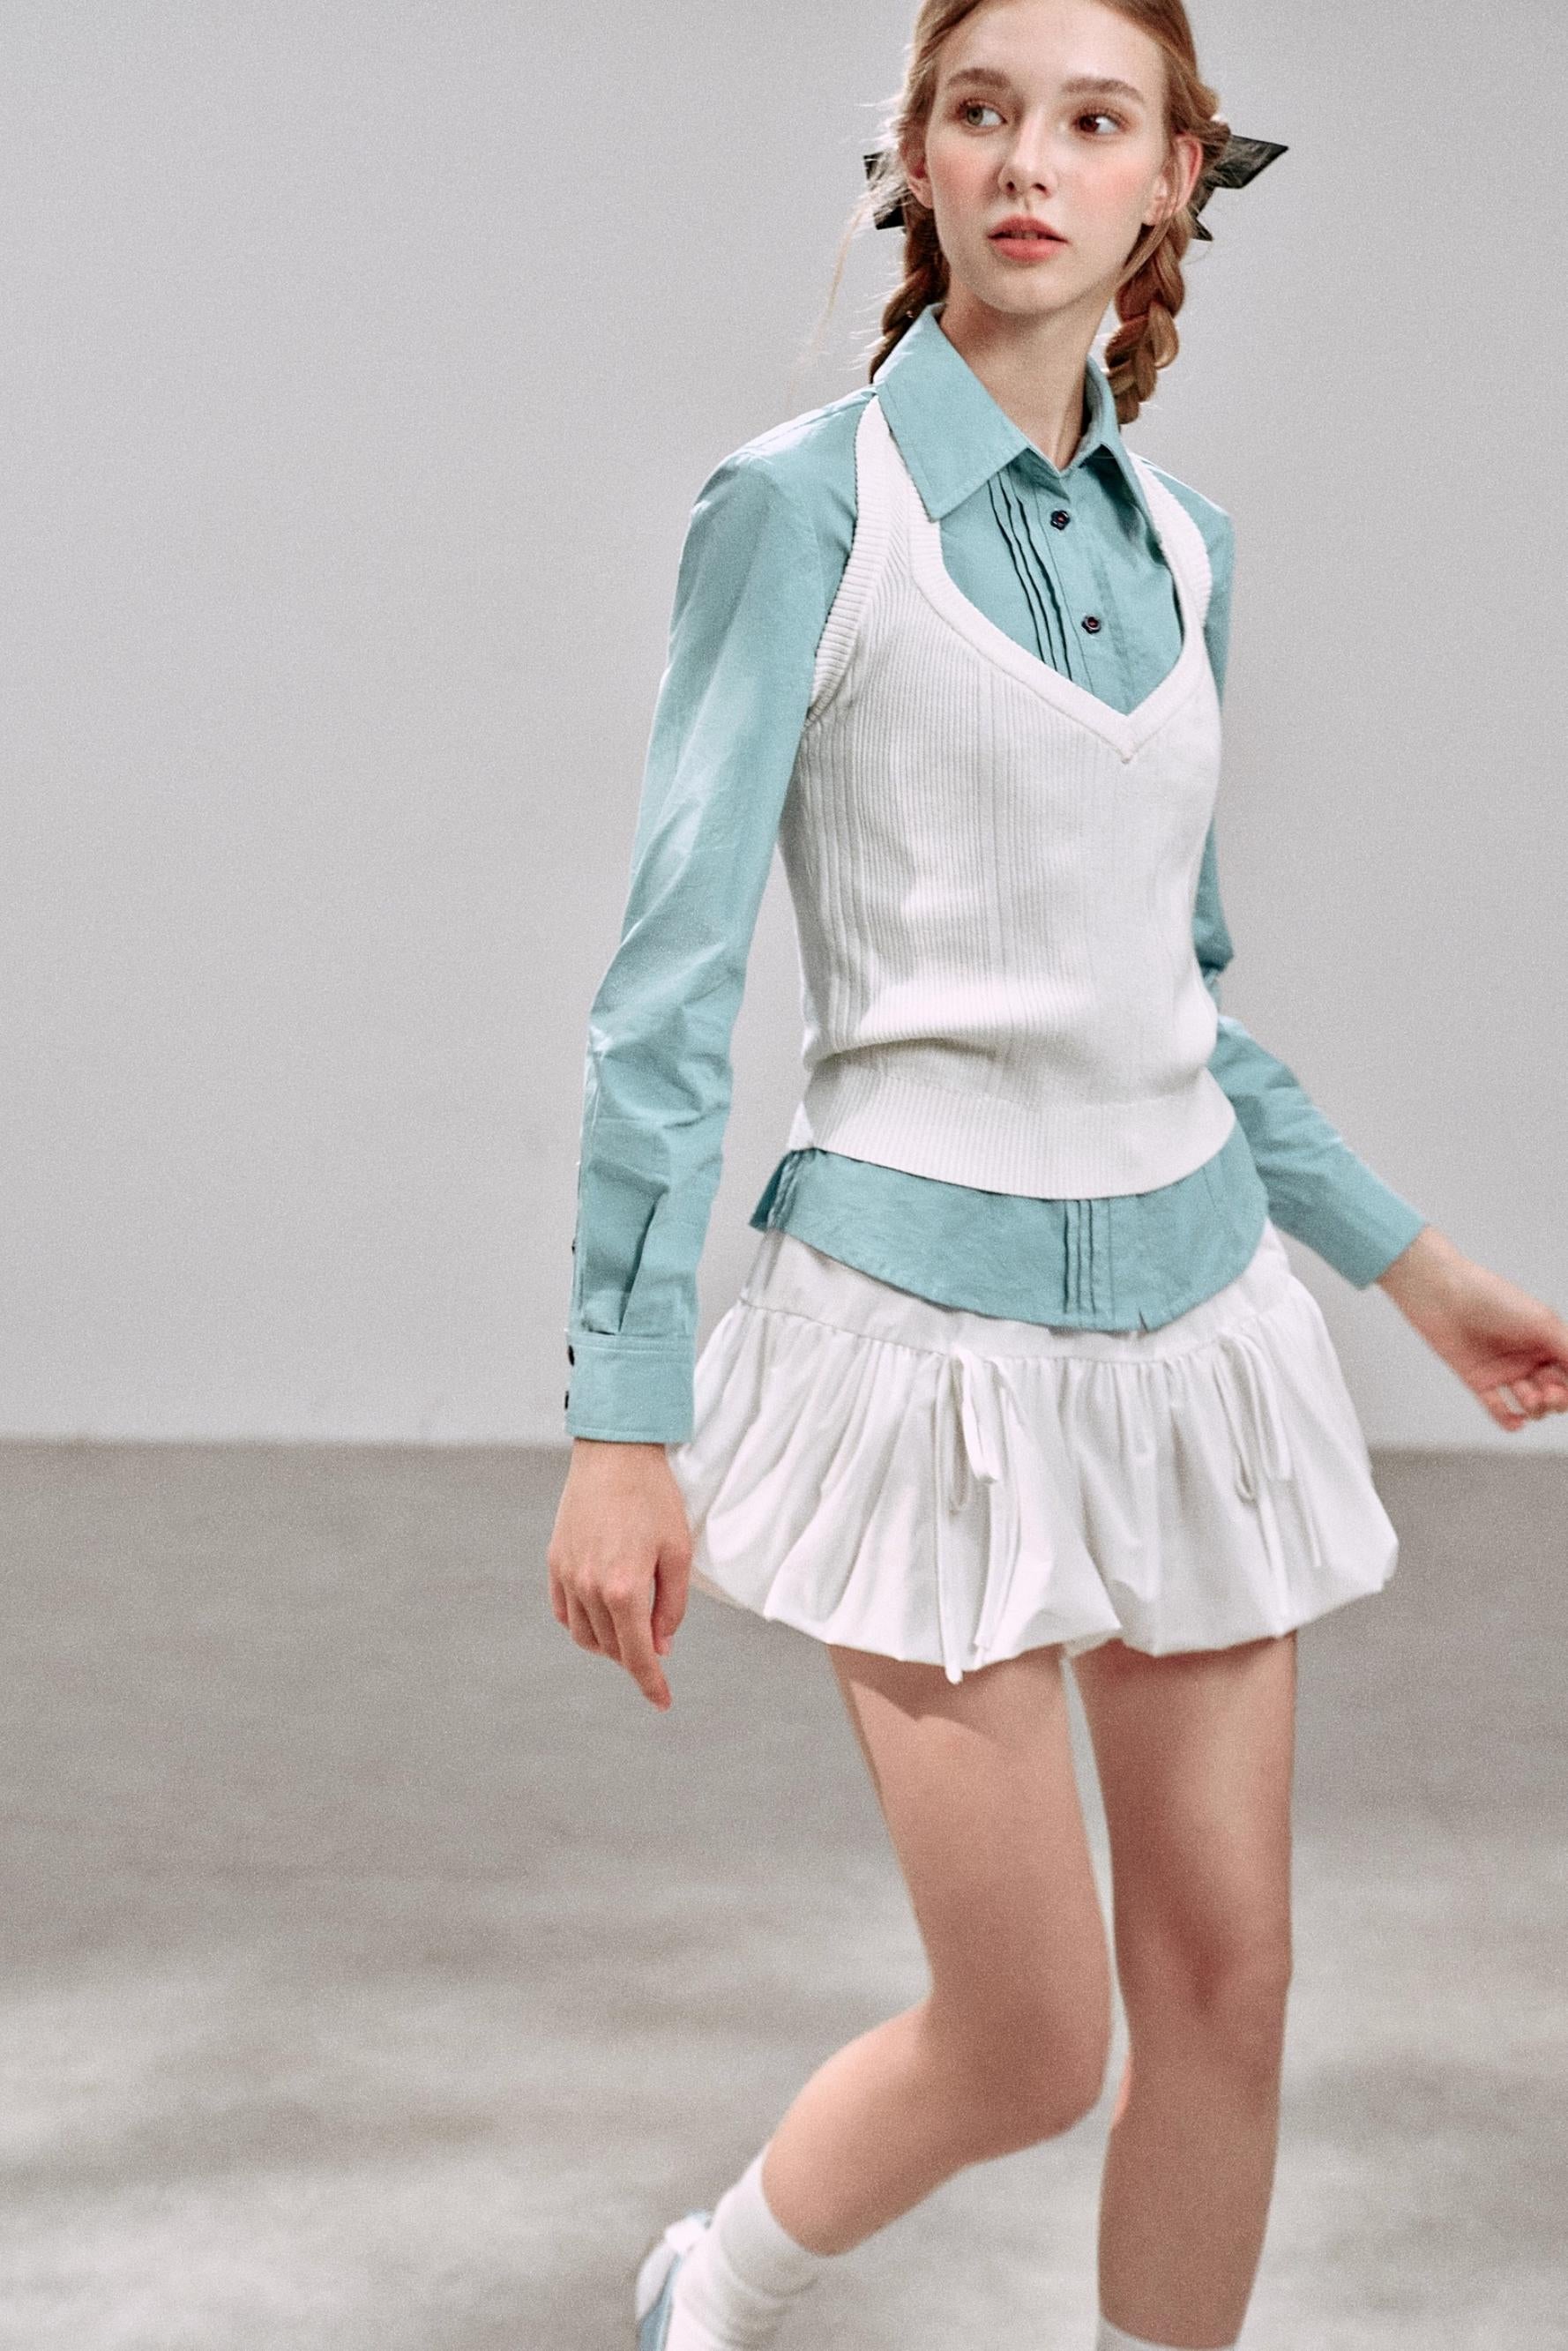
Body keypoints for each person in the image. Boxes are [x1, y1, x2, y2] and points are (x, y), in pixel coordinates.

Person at [547, 2, 1568, 2345]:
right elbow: (665, 987)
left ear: (1175, 176)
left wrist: (1412, 1267)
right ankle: (713, 2283)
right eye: (981, 110)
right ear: (912, 155)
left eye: (1093, 121)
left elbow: (1166, 995)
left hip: (1200, 1340)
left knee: (1229, 1990)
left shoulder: (1189, 552)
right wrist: (622, 1415)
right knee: (1031, 2037)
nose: (1031, 160)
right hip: (919, 1351)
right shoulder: (801, 508)